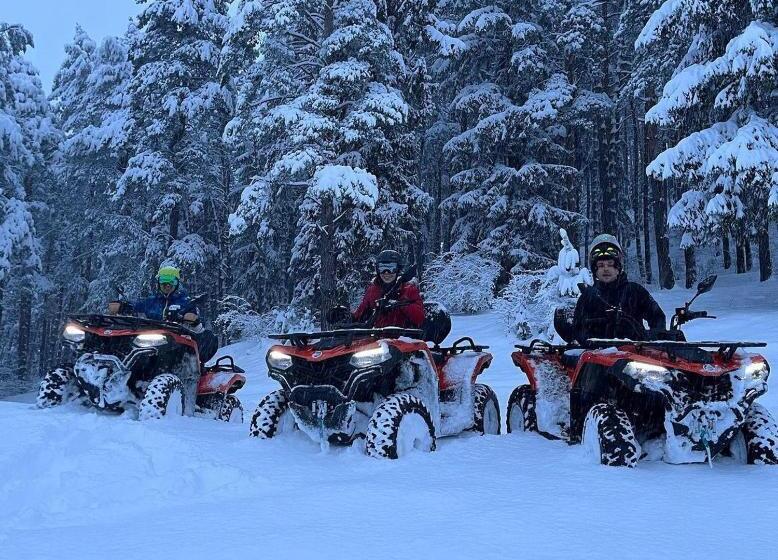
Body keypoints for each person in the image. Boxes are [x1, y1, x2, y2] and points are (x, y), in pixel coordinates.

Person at [572, 234, 666, 343]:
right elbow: (577, 330)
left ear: (618, 268)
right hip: (596, 355)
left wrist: (653, 339)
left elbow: (657, 317)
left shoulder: (635, 291)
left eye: (610, 264)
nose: (606, 269)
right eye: (601, 265)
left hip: (635, 354)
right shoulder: (587, 297)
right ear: (595, 270)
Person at [117, 265, 218, 365]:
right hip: (152, 340)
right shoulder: (151, 301)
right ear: (158, 284)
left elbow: (197, 325)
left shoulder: (187, 303)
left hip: (177, 344)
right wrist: (124, 306)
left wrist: (193, 320)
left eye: (171, 282)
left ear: (177, 283)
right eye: (163, 283)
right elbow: (135, 306)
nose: (167, 286)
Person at [353, 250, 425, 328]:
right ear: (378, 270)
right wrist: (347, 318)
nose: (386, 273)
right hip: (377, 336)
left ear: (398, 269)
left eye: (391, 268)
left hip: (404, 336)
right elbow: (359, 315)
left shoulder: (409, 290)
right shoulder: (372, 291)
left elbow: (420, 318)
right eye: (382, 268)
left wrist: (401, 304)